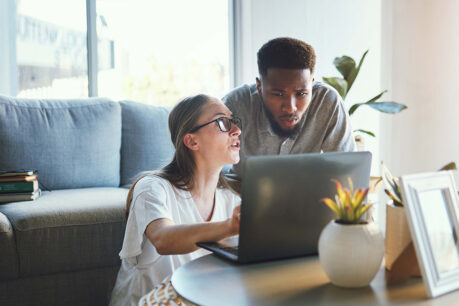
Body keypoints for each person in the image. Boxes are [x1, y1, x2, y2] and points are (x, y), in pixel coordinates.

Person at [109, 94, 242, 306]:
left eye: (235, 122)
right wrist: (230, 226)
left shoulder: (229, 200)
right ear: (191, 141)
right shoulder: (152, 188)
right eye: (222, 122)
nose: (236, 130)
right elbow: (163, 239)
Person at [223, 37, 355, 177]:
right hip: (242, 197)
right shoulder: (234, 106)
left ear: (311, 84)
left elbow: (347, 173)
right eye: (278, 94)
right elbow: (210, 170)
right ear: (260, 87)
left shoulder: (327, 102)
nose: (291, 108)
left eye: (301, 93)